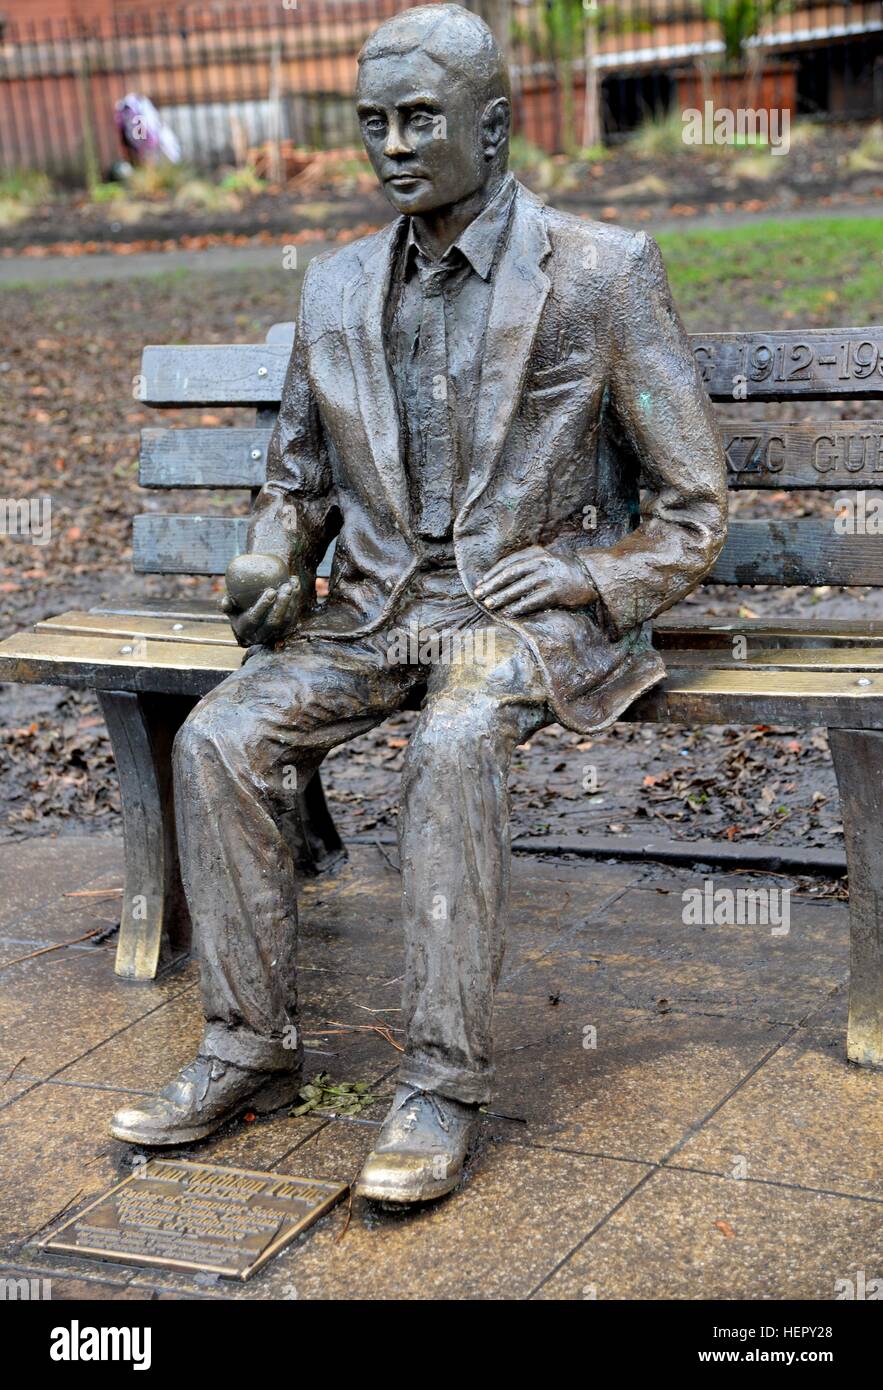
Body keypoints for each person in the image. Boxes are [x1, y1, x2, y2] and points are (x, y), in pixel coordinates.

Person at [111, 5, 727, 1206]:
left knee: (454, 741)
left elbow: (693, 508)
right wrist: (272, 554)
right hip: (375, 610)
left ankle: (439, 1082)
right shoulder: (338, 284)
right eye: (371, 123)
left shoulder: (600, 273)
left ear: (492, 130)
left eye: (419, 121)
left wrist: (594, 578)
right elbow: (295, 480)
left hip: (521, 614)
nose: (392, 145)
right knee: (221, 738)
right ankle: (247, 1046)